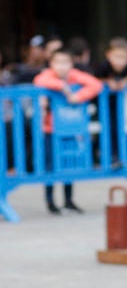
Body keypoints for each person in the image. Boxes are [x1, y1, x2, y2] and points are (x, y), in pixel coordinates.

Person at [33, 47, 103, 213]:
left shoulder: (75, 76)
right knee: (50, 165)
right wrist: (62, 86)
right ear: (51, 64)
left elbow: (96, 84)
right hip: (50, 128)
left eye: (65, 63)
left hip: (70, 127)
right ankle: (50, 201)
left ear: (72, 64)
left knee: (68, 165)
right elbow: (39, 81)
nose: (62, 66)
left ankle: (68, 200)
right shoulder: (47, 76)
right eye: (58, 63)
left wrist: (77, 96)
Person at [94, 37, 127, 165]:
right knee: (108, 128)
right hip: (105, 105)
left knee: (126, 127)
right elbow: (95, 79)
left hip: (124, 104)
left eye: (123, 57)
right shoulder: (103, 67)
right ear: (108, 55)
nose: (120, 61)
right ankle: (108, 155)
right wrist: (108, 82)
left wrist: (125, 81)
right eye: (117, 57)